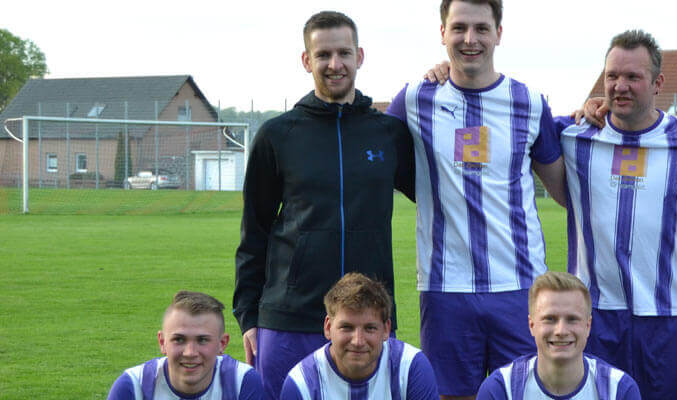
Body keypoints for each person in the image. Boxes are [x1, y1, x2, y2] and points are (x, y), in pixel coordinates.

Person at [384, 0, 568, 398]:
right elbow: (372, 155)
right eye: (459, 28)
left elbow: (565, 191)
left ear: (499, 34)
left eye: (482, 29)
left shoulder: (529, 102)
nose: (470, 39)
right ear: (442, 33)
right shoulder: (415, 99)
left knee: (525, 392)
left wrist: (591, 113)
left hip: (519, 286)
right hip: (445, 286)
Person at [234, 10, 414, 398]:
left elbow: (441, 192)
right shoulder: (278, 135)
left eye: (344, 54)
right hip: (289, 320)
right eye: (323, 55)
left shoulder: (388, 134)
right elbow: (255, 231)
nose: (335, 65)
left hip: (368, 321)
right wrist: (249, 315)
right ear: (306, 61)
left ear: (359, 56)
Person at [552, 29, 677, 400]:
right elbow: (517, 129)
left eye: (633, 77)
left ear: (658, 82)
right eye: (612, 76)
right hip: (597, 317)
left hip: (671, 316)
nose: (620, 86)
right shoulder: (574, 135)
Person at [477, 271, 643, 400]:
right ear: (532, 325)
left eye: (572, 319)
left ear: (588, 326)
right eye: (550, 319)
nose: (561, 331)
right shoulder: (501, 389)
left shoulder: (619, 390)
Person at [281, 273, 438, 399]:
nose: (358, 341)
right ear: (328, 327)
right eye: (347, 327)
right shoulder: (302, 384)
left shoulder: (411, 368)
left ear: (386, 329)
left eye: (370, 328)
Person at [108, 291, 264, 400]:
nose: (190, 352)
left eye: (202, 340)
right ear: (162, 342)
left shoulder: (242, 382)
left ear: (222, 344)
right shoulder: (134, 386)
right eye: (179, 340)